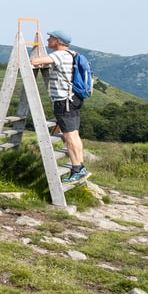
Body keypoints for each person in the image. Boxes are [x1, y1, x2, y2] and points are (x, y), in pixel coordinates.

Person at [30, 30, 89, 184]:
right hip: (74, 99)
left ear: (58, 41)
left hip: (64, 101)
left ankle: (77, 169)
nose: (48, 39)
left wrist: (30, 59)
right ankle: (80, 166)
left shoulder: (59, 55)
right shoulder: (72, 54)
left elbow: (34, 62)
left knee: (69, 136)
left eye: (51, 38)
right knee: (74, 134)